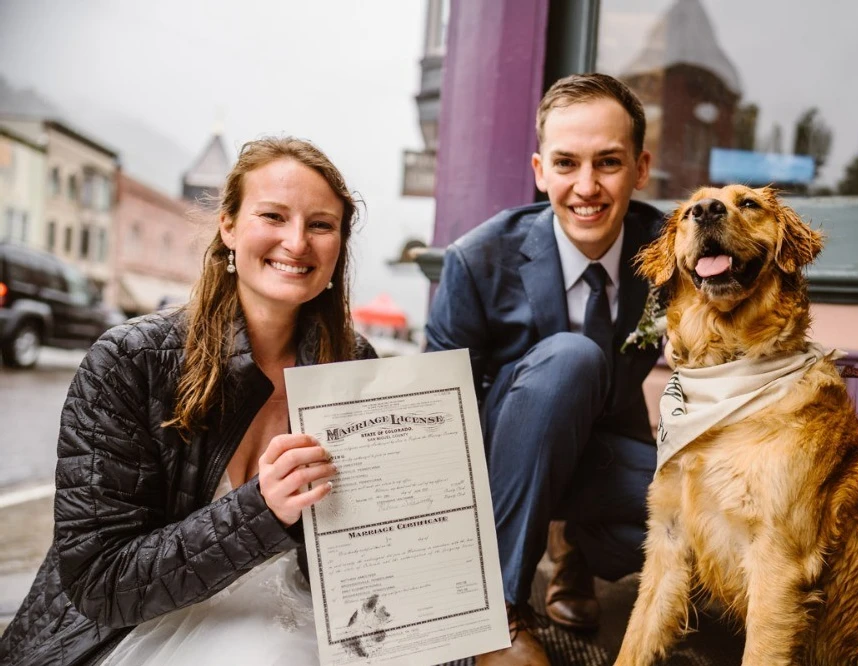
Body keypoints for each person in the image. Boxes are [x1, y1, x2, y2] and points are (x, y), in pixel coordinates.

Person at [0, 136, 376, 666]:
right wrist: (259, 510)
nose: (297, 242)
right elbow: (99, 579)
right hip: (145, 625)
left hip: (313, 610)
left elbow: (364, 537)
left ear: (340, 242)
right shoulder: (130, 360)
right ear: (228, 226)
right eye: (273, 216)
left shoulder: (355, 359)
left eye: (321, 224)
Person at [425, 73, 664, 666]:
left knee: (681, 516)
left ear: (641, 168)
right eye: (566, 163)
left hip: (601, 443)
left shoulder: (668, 250)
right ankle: (496, 613)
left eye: (608, 162)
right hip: (499, 452)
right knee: (572, 356)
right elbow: (435, 417)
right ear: (538, 170)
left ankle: (576, 548)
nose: (587, 187)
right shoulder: (477, 258)